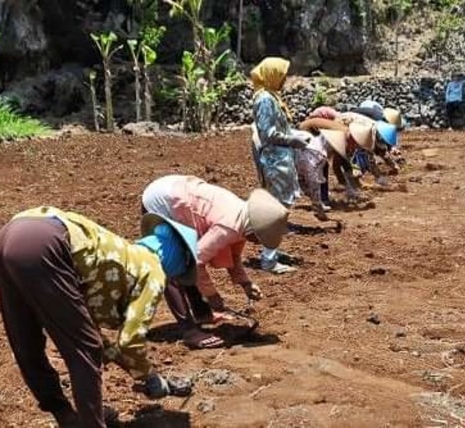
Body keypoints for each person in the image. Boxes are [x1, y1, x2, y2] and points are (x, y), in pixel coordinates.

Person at [0, 206, 198, 427]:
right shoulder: (153, 270)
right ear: (178, 259)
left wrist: (140, 374)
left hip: (8, 236)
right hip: (45, 243)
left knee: (26, 342)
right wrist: (150, 376)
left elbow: (95, 337)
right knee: (84, 351)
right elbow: (130, 341)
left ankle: (66, 417)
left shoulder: (120, 257)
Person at [140, 176, 290, 348]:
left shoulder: (244, 220)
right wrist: (212, 296)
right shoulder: (229, 226)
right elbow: (197, 260)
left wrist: (246, 283)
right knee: (173, 261)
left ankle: (202, 313)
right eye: (261, 238)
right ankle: (189, 331)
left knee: (185, 258)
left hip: (178, 192)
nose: (259, 243)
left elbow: (234, 258)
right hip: (163, 200)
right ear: (256, 229)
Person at [250, 56, 308, 270]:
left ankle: (271, 247)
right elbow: (268, 134)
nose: (285, 80)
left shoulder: (272, 97)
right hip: (275, 161)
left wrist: (293, 135)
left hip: (281, 159)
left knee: (279, 207)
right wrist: (292, 139)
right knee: (277, 209)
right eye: (282, 75)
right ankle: (269, 256)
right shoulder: (265, 99)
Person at [291, 128, 349, 218]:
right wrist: (317, 204)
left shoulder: (313, 141)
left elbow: (302, 179)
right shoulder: (317, 153)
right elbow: (312, 180)